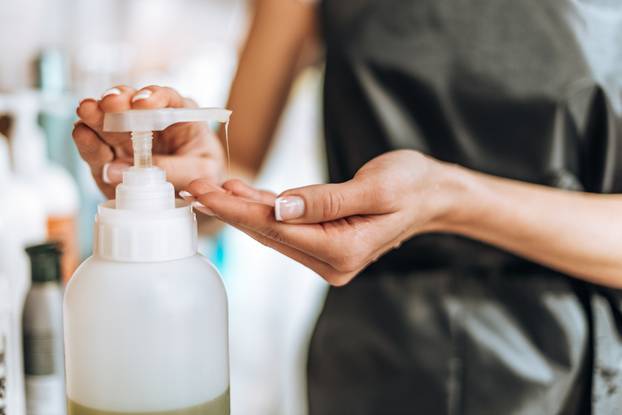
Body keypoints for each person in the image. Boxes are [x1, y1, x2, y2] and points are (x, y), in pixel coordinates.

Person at [72, 0, 622, 413]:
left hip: (574, 372)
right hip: (373, 366)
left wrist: (449, 200)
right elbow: (234, 170)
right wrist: (185, 177)